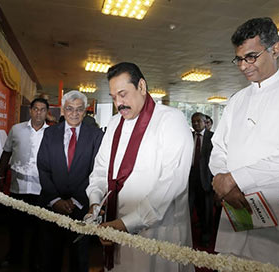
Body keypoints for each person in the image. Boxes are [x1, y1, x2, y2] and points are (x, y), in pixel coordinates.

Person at [209, 17, 279, 268]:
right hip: (235, 217)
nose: (243, 66)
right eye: (239, 59)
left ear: (275, 49)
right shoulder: (237, 100)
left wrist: (237, 178)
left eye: (251, 56)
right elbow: (219, 149)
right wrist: (224, 182)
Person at [86, 62, 194, 271]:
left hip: (157, 232)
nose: (119, 102)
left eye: (123, 94)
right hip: (115, 227)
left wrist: (128, 223)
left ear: (142, 87)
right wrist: (95, 202)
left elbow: (172, 183)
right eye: (114, 97)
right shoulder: (115, 123)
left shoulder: (171, 119)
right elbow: (100, 169)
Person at [37, 90, 103, 272]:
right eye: (70, 109)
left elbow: (96, 171)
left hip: (81, 207)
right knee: (50, 257)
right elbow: (43, 167)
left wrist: (76, 200)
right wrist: (55, 200)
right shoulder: (50, 133)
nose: (74, 113)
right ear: (63, 111)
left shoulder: (96, 135)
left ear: (85, 111)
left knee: (79, 258)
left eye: (79, 109)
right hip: (52, 207)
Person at [0, 98, 49, 270]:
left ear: (47, 113)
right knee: (16, 227)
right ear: (31, 111)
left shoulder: (52, 133)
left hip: (41, 190)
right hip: (18, 188)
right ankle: (13, 257)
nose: (39, 112)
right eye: (36, 109)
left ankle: (37, 261)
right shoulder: (16, 129)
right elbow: (6, 153)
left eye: (42, 109)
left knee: (39, 229)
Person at [188, 112, 214, 247]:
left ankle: (205, 234)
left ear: (205, 122)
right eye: (193, 121)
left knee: (206, 209)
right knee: (189, 206)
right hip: (190, 177)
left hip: (206, 179)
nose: (196, 124)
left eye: (198, 121)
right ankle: (188, 235)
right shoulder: (188, 137)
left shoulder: (213, 137)